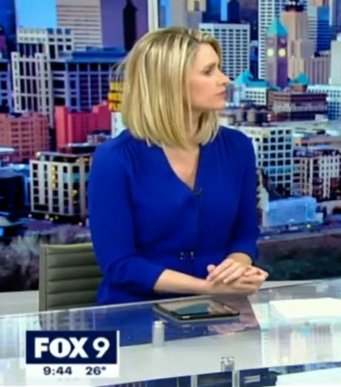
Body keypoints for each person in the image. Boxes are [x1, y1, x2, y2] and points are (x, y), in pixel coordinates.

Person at [88, 27, 268, 306]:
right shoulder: (115, 159)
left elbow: (244, 233)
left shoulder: (237, 147)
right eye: (209, 72)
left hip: (222, 311)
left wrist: (236, 267)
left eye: (219, 69)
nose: (225, 80)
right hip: (135, 312)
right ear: (169, 84)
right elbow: (120, 264)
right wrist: (205, 288)